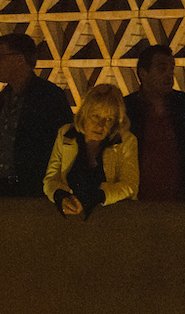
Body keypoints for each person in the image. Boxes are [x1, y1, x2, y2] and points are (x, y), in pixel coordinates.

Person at [124, 44, 185, 201]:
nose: (169, 75)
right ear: (143, 74)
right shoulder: (125, 108)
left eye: (171, 69)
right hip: (137, 200)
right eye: (162, 69)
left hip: (184, 200)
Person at [0, 33, 72, 198]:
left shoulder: (49, 96)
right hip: (1, 189)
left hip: (34, 188)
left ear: (19, 59)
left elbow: (66, 142)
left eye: (0, 56)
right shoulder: (2, 98)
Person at [44, 85, 139, 216]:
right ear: (84, 113)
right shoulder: (66, 134)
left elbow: (130, 186)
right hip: (69, 217)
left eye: (109, 119)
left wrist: (97, 197)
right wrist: (61, 197)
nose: (101, 125)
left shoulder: (126, 141)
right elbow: (51, 178)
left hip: (111, 218)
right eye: (95, 116)